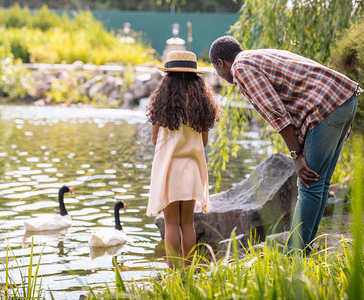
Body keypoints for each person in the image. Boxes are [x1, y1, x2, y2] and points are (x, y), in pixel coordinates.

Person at [209, 35, 362, 254]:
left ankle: (294, 253)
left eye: (217, 71)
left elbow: (276, 113)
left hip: (326, 106)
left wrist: (297, 156)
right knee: (320, 182)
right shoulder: (256, 56)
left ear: (220, 63)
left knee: (309, 184)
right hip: (344, 98)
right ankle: (304, 248)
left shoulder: (241, 68)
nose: (221, 77)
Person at [146, 50, 221, 268]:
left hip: (168, 170)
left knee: (171, 223)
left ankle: (173, 273)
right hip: (191, 170)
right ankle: (188, 271)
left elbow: (154, 141)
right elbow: (204, 142)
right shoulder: (203, 103)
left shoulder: (161, 103)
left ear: (167, 77)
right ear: (194, 76)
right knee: (187, 223)